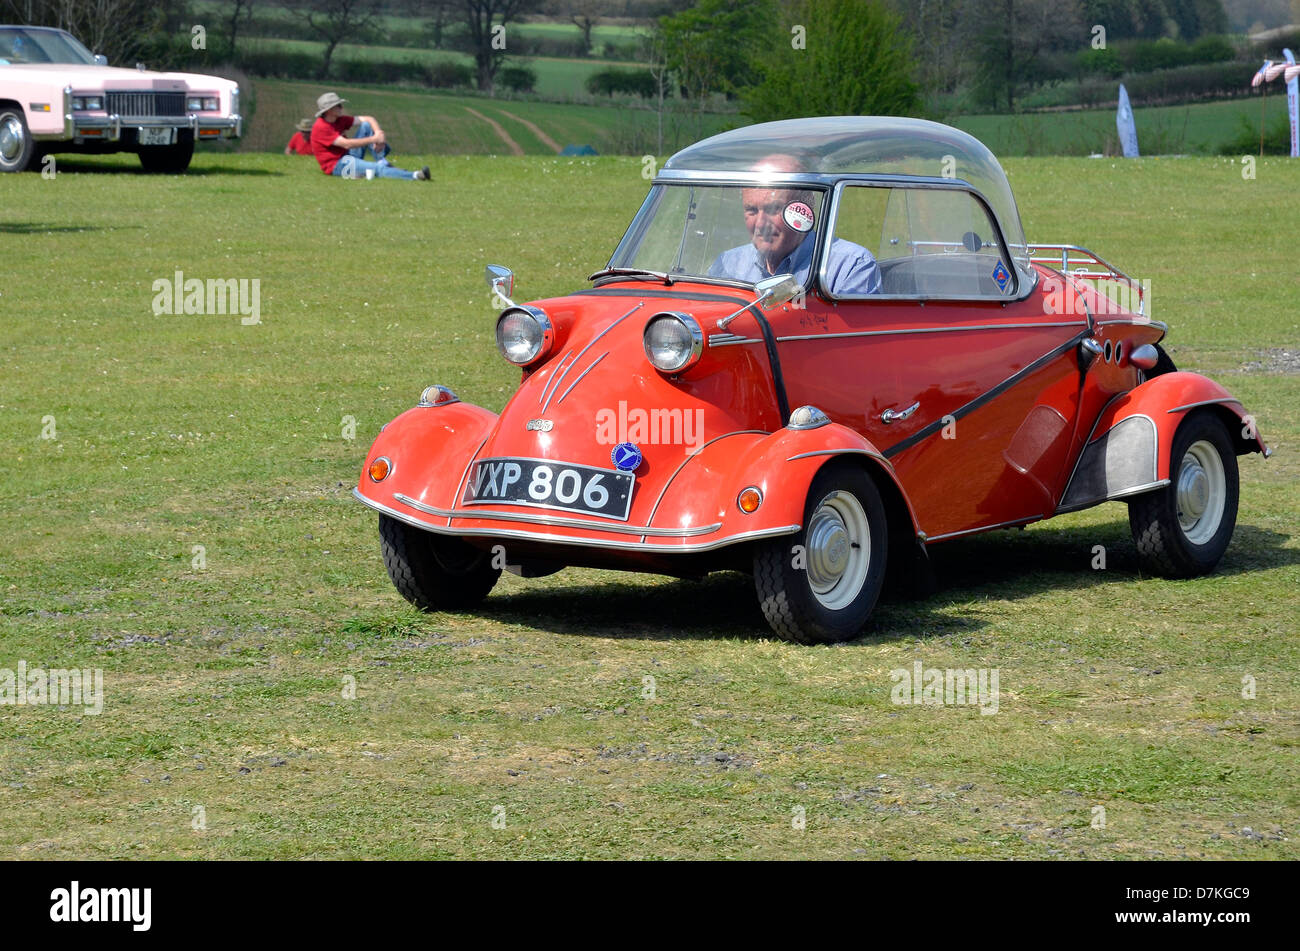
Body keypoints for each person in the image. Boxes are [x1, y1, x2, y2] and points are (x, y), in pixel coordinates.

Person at [708, 154, 879, 295]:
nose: (760, 224)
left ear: (804, 208)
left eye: (774, 209)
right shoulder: (728, 264)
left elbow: (848, 336)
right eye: (751, 210)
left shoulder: (850, 265)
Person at [309, 92, 430, 181]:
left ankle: (381, 160)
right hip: (337, 165)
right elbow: (346, 144)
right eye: (338, 106)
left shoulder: (338, 119)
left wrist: (379, 134)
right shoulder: (321, 127)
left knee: (366, 126)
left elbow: (368, 119)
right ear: (328, 110)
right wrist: (374, 139)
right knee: (375, 169)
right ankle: (415, 175)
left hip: (347, 156)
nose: (341, 107)